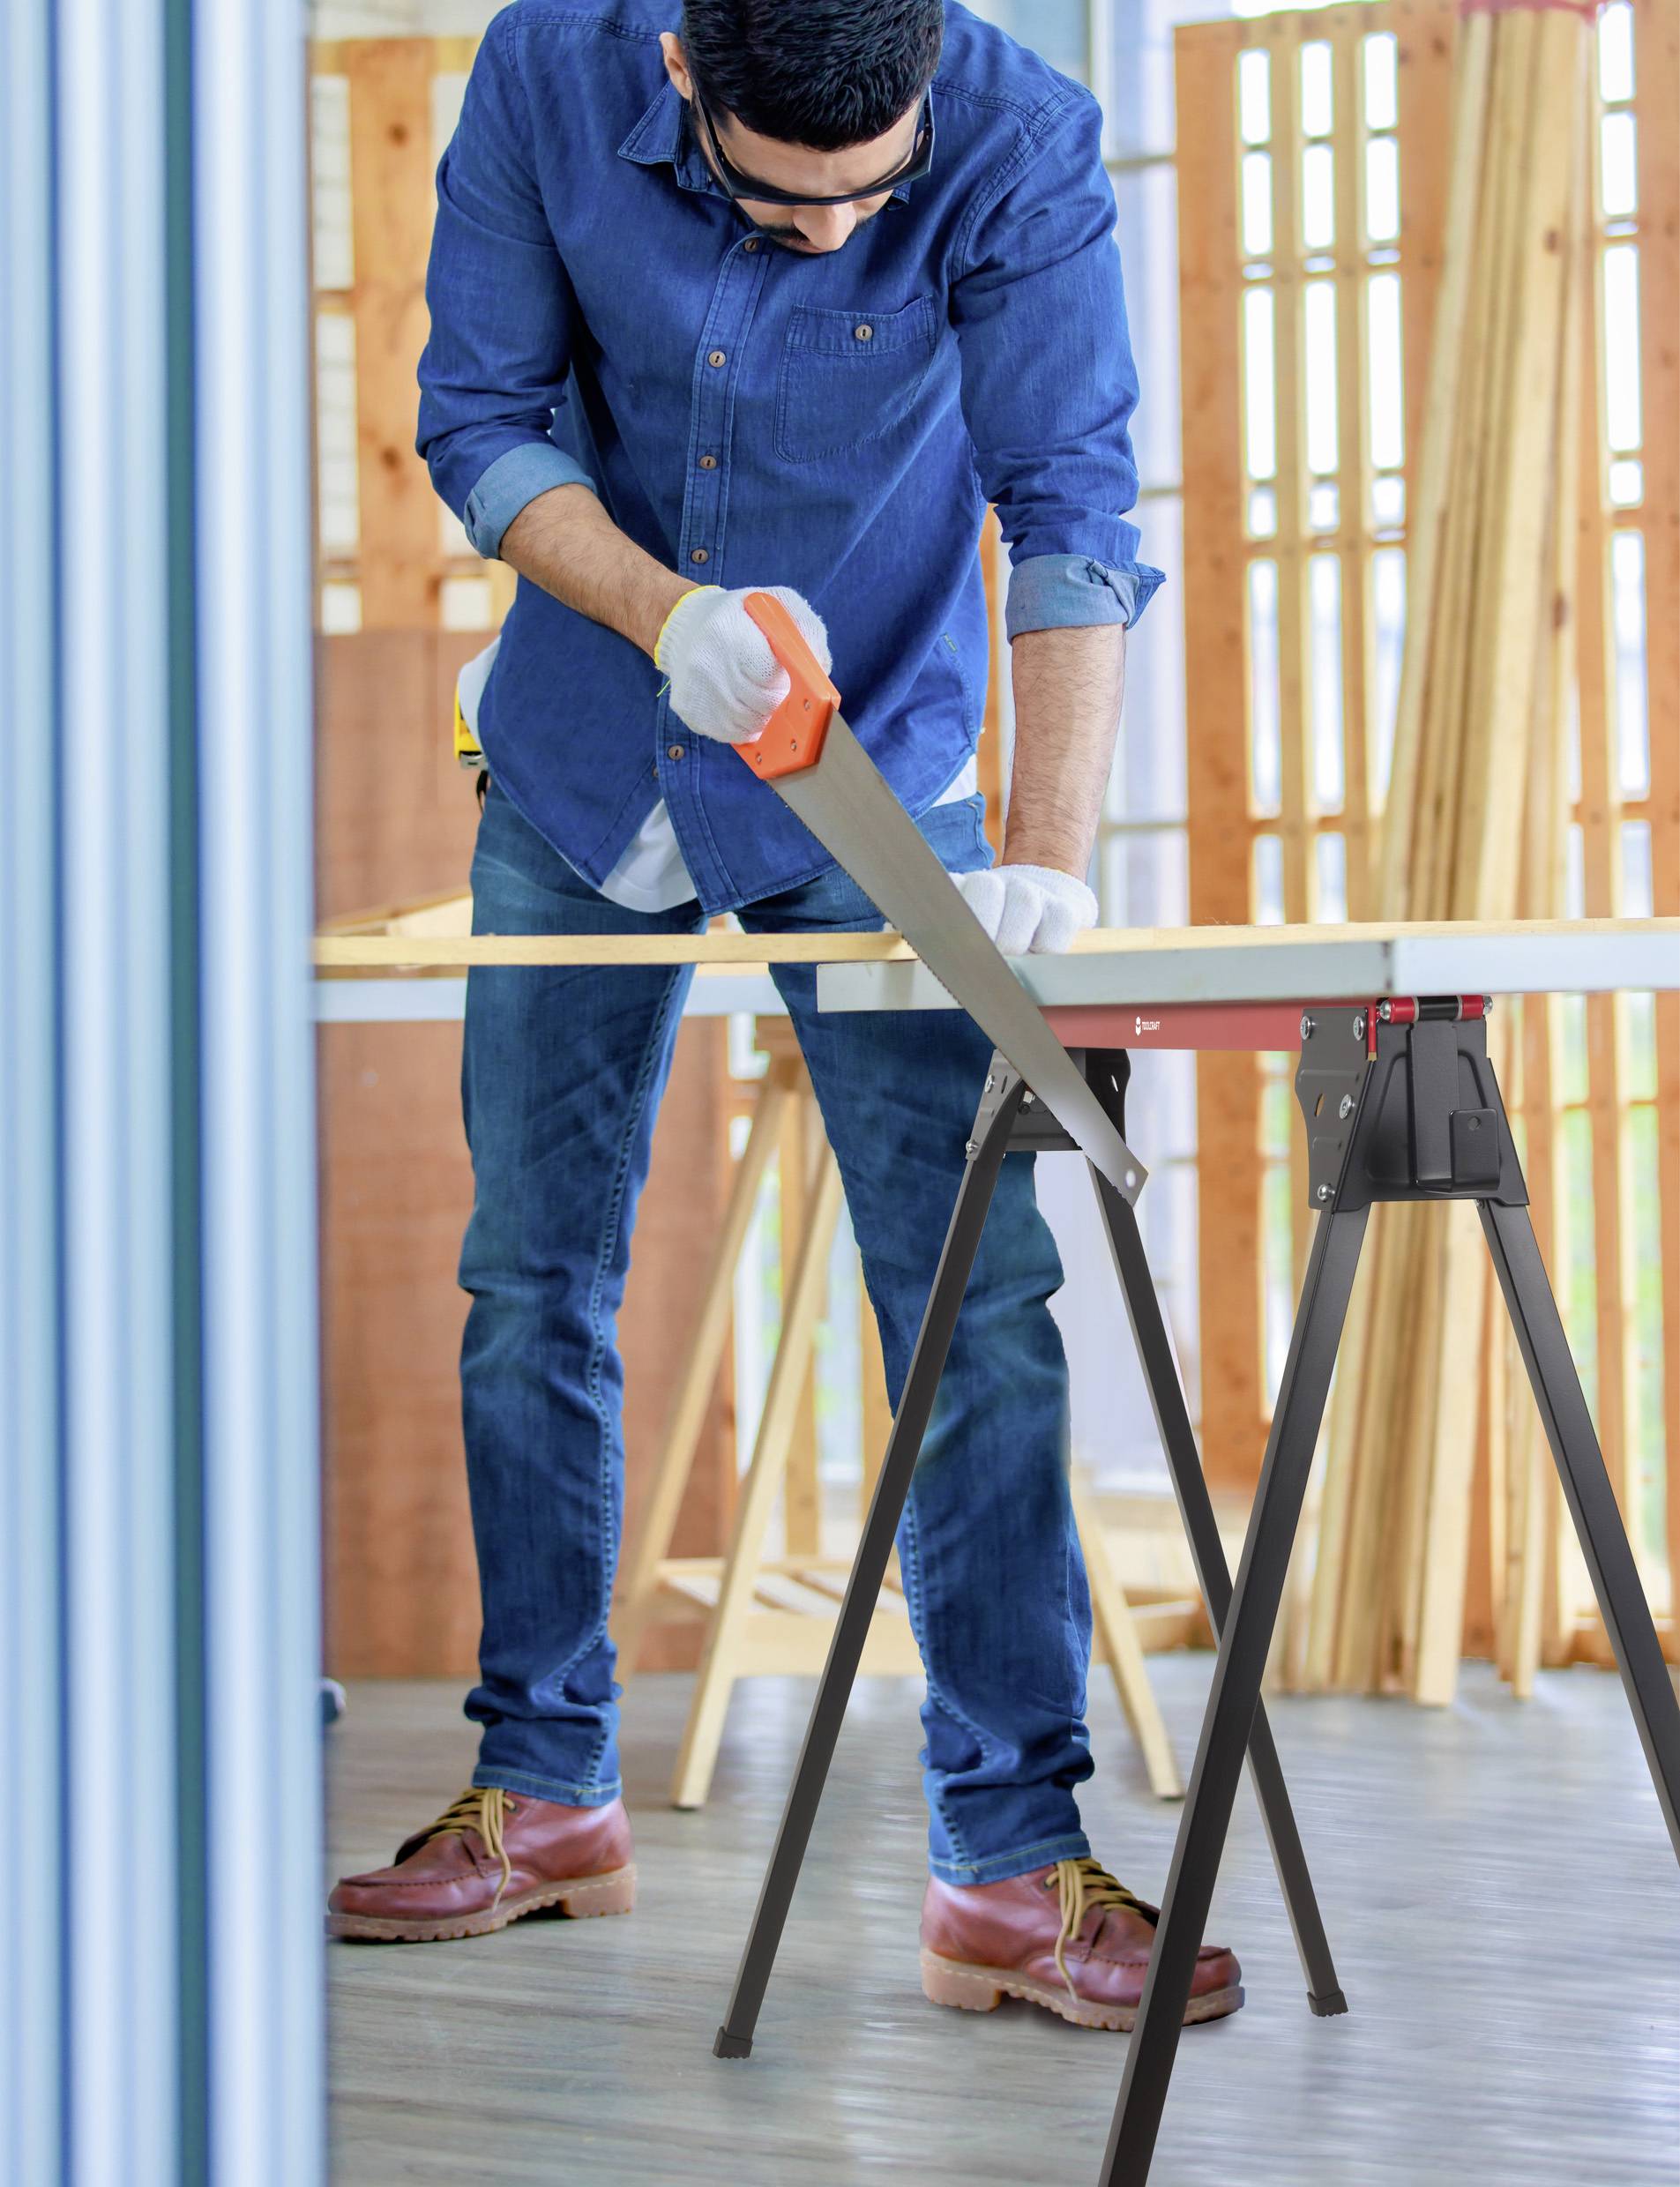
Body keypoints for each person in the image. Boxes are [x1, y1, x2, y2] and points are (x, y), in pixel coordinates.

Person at [327, 0, 1242, 2034]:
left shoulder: (1017, 130)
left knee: (968, 1300)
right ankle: (538, 1792)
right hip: (586, 749)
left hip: (870, 772)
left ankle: (1008, 1864)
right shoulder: (547, 68)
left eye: (875, 196)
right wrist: (669, 621)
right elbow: (478, 421)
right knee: (529, 1277)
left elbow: (1070, 503)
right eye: (780, 200)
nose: (836, 238)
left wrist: (1049, 858)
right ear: (679, 73)